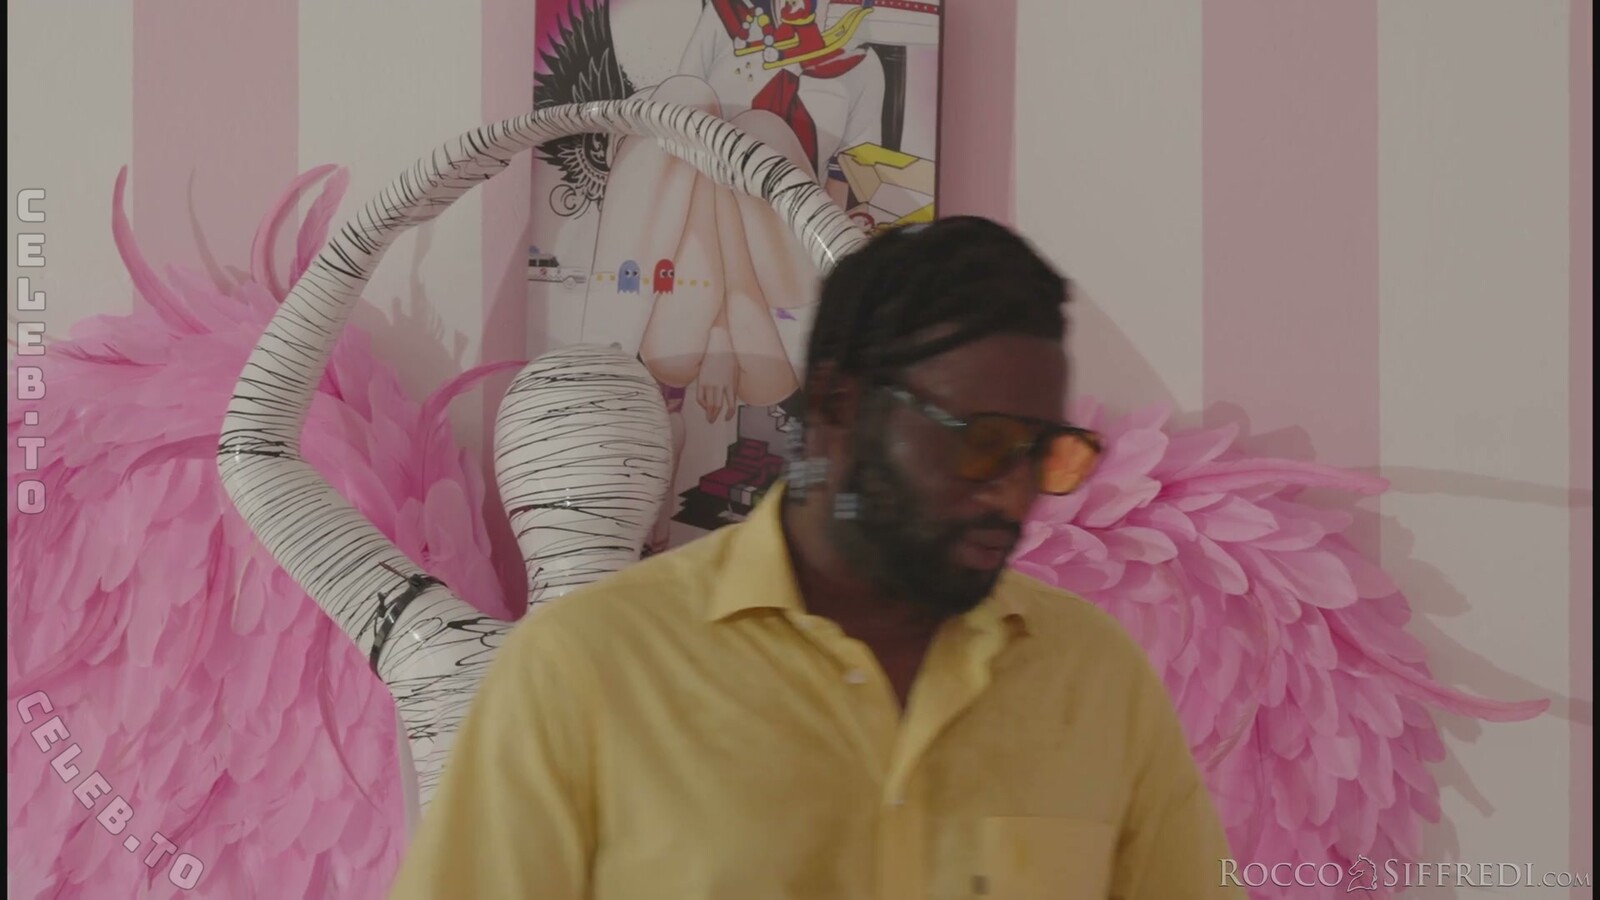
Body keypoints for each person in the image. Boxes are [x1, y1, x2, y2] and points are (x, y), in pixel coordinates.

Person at [387, 217, 1242, 899]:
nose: (1013, 492)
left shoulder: (1093, 679)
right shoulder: (583, 672)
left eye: (1043, 453)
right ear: (838, 405)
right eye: (981, 443)